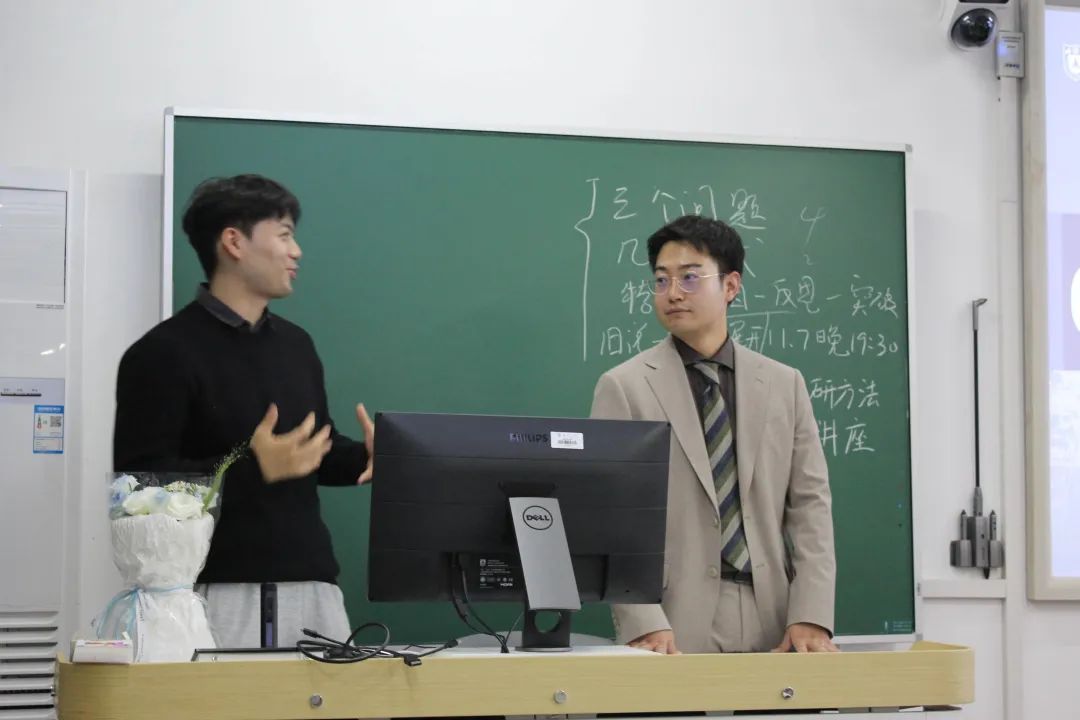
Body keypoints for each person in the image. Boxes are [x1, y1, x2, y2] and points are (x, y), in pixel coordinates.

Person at [113, 174, 373, 648]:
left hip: (313, 585)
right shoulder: (162, 353)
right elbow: (138, 490)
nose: (296, 252)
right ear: (234, 242)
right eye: (285, 234)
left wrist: (371, 458)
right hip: (214, 593)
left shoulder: (296, 345)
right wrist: (253, 469)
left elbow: (313, 452)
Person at [590, 214, 836, 654]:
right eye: (661, 280)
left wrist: (811, 615)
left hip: (776, 618)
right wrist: (642, 620)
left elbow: (809, 506)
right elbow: (610, 515)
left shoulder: (784, 384)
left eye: (689, 277)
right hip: (670, 622)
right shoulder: (625, 387)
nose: (673, 293)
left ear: (730, 285)